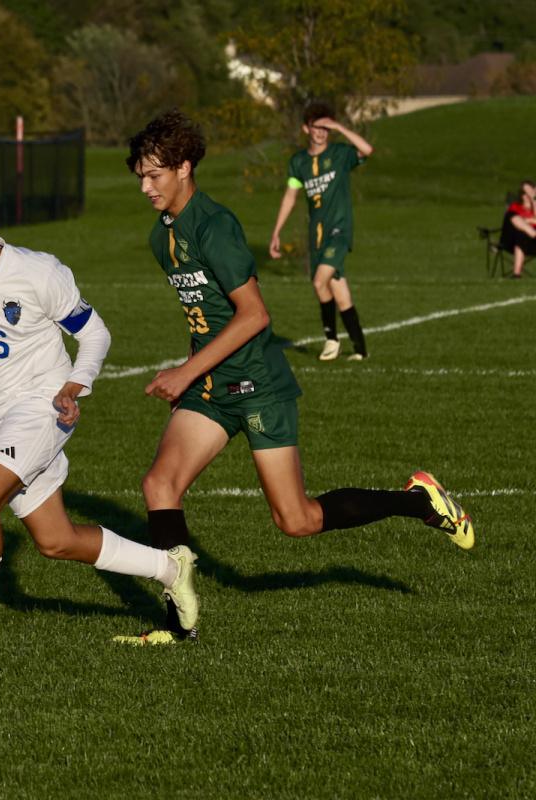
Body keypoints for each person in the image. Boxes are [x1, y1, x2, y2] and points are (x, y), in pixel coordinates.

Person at [127, 109, 474, 641]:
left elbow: (254, 316)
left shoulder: (214, 225)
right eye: (140, 176)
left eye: (154, 174)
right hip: (212, 387)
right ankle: (177, 625)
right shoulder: (161, 237)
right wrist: (193, 381)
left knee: (297, 521)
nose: (145, 186)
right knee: (159, 484)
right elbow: (204, 316)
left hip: (257, 385)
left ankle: (419, 501)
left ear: (185, 168)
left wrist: (184, 372)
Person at [0, 175, 199, 668]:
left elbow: (94, 334)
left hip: (42, 407)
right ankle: (169, 566)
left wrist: (75, 384)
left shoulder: (38, 273)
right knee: (55, 540)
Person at [269, 102, 373, 361]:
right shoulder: (299, 162)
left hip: (340, 229)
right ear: (306, 129)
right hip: (317, 233)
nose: (322, 132)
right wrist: (276, 232)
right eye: (318, 127)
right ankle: (360, 350)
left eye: (327, 128)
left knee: (319, 281)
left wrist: (340, 127)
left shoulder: (340, 154)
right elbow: (290, 197)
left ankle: (331, 339)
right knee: (338, 291)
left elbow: (367, 150)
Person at [501, 180, 536, 279]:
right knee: (514, 219)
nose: (527, 195)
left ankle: (516, 275)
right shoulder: (515, 207)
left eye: (529, 192)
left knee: (522, 235)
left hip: (532, 243)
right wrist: (530, 221)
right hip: (512, 240)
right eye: (524, 192)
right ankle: (516, 274)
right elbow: (514, 220)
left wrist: (534, 200)